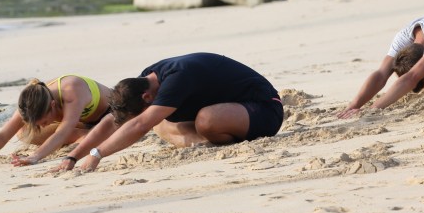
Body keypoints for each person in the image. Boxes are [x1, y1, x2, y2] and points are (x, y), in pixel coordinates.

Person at [73, 53, 283, 172]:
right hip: (230, 107)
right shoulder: (145, 80)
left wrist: (97, 155)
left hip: (264, 109)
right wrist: (72, 158)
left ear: (147, 98)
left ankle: (215, 140)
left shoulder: (176, 78)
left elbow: (139, 125)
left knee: (206, 120)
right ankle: (206, 144)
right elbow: (114, 121)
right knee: (159, 123)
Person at [0, 75, 115, 171]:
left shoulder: (72, 90)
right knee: (23, 132)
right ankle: (84, 136)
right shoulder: (32, 101)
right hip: (81, 123)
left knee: (66, 129)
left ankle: (89, 137)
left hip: (109, 114)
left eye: (43, 121)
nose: (42, 126)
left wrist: (35, 157)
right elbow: (2, 135)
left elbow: (63, 131)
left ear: (52, 106)